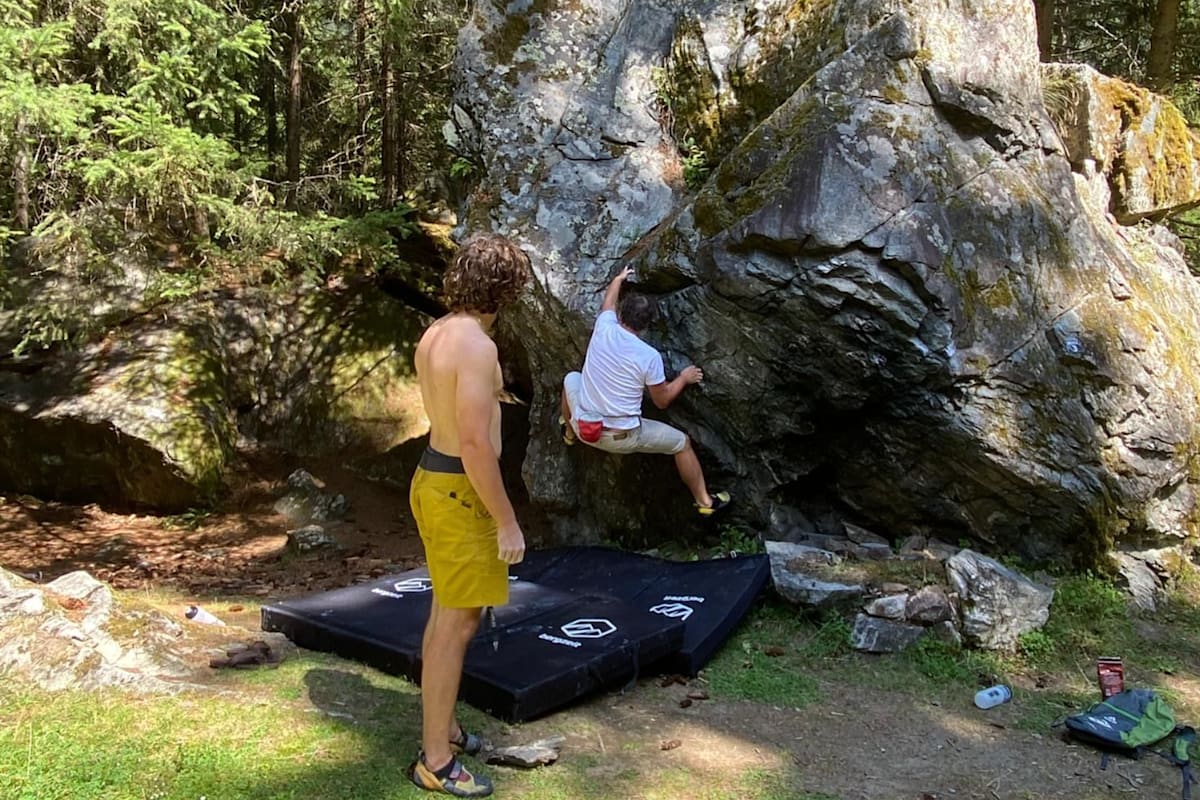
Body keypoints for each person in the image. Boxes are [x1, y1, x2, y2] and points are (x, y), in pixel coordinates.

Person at [408, 233, 531, 797]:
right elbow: (476, 444)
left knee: (448, 616)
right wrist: (506, 519)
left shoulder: (436, 332)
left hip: (432, 479)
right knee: (457, 624)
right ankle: (435, 759)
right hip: (461, 490)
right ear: (506, 289)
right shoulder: (478, 347)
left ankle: (445, 727)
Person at [560, 266, 731, 515]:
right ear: (646, 325)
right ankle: (705, 502)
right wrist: (683, 378)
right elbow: (662, 401)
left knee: (571, 379)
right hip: (621, 437)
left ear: (620, 315)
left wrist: (618, 279)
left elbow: (608, 302)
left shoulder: (604, 326)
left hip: (585, 425)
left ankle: (568, 432)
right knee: (682, 443)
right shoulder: (649, 357)